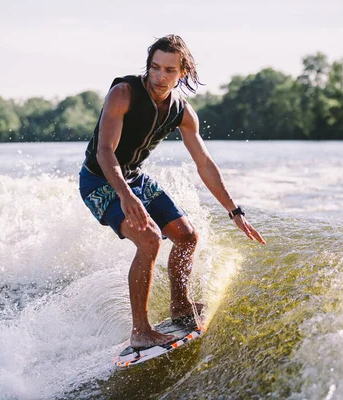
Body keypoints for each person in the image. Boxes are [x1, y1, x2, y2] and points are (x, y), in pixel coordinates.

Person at [79, 34, 265, 349]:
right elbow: (104, 153)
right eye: (155, 68)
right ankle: (141, 331)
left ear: (182, 73)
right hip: (100, 181)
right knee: (150, 239)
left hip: (134, 177)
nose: (160, 77)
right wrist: (125, 195)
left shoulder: (182, 111)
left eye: (169, 70)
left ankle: (179, 306)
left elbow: (204, 163)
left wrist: (234, 211)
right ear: (148, 67)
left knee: (187, 236)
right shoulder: (123, 94)